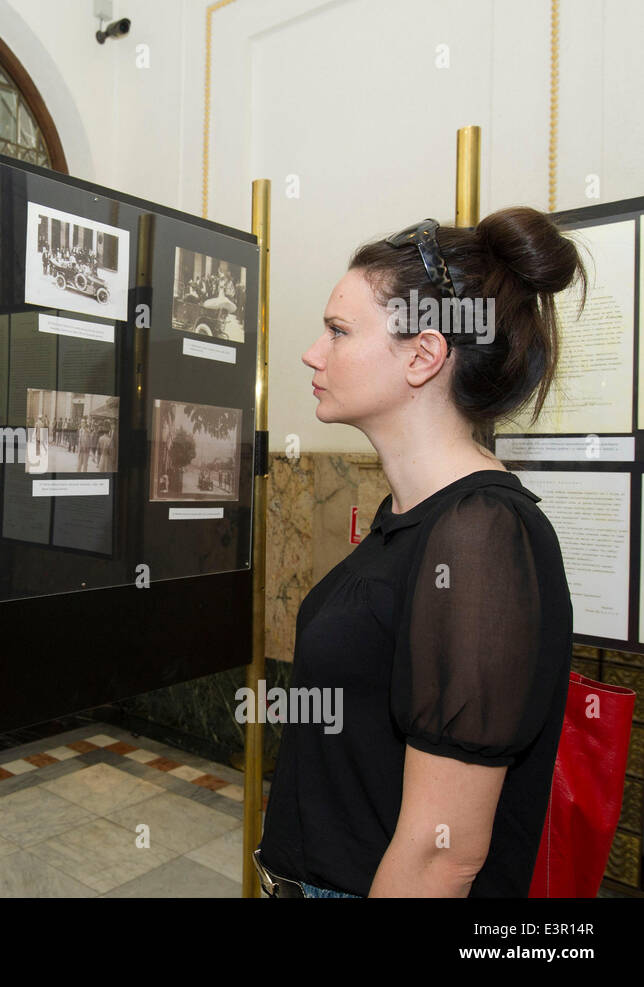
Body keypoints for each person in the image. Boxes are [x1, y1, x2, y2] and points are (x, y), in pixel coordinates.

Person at [256, 207, 586, 898]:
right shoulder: (411, 516)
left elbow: (444, 856)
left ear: (424, 354)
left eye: (339, 331)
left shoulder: (483, 536)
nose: (313, 353)